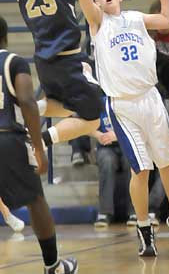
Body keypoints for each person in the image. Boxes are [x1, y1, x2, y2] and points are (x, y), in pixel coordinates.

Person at [76, 0, 169, 257]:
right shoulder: (98, 22)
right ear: (97, 0)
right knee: (141, 169)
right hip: (123, 104)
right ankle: (144, 228)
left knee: (167, 162)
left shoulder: (137, 18)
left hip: (150, 98)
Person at [11, 0, 104, 148]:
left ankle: (30, 108)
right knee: (92, 120)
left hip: (43, 59)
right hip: (68, 60)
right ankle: (40, 141)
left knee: (60, 105)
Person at [0, 16, 77, 273]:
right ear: (5, 36)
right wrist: (37, 146)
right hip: (7, 138)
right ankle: (53, 265)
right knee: (35, 200)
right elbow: (27, 101)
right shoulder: (13, 62)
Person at [92, 96, 135, 228]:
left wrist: (117, 136)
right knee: (107, 161)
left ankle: (135, 211)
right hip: (106, 147)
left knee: (131, 161)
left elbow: (137, 128)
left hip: (127, 144)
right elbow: (84, 125)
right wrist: (98, 135)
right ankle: (105, 213)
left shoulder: (129, 102)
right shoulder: (99, 103)